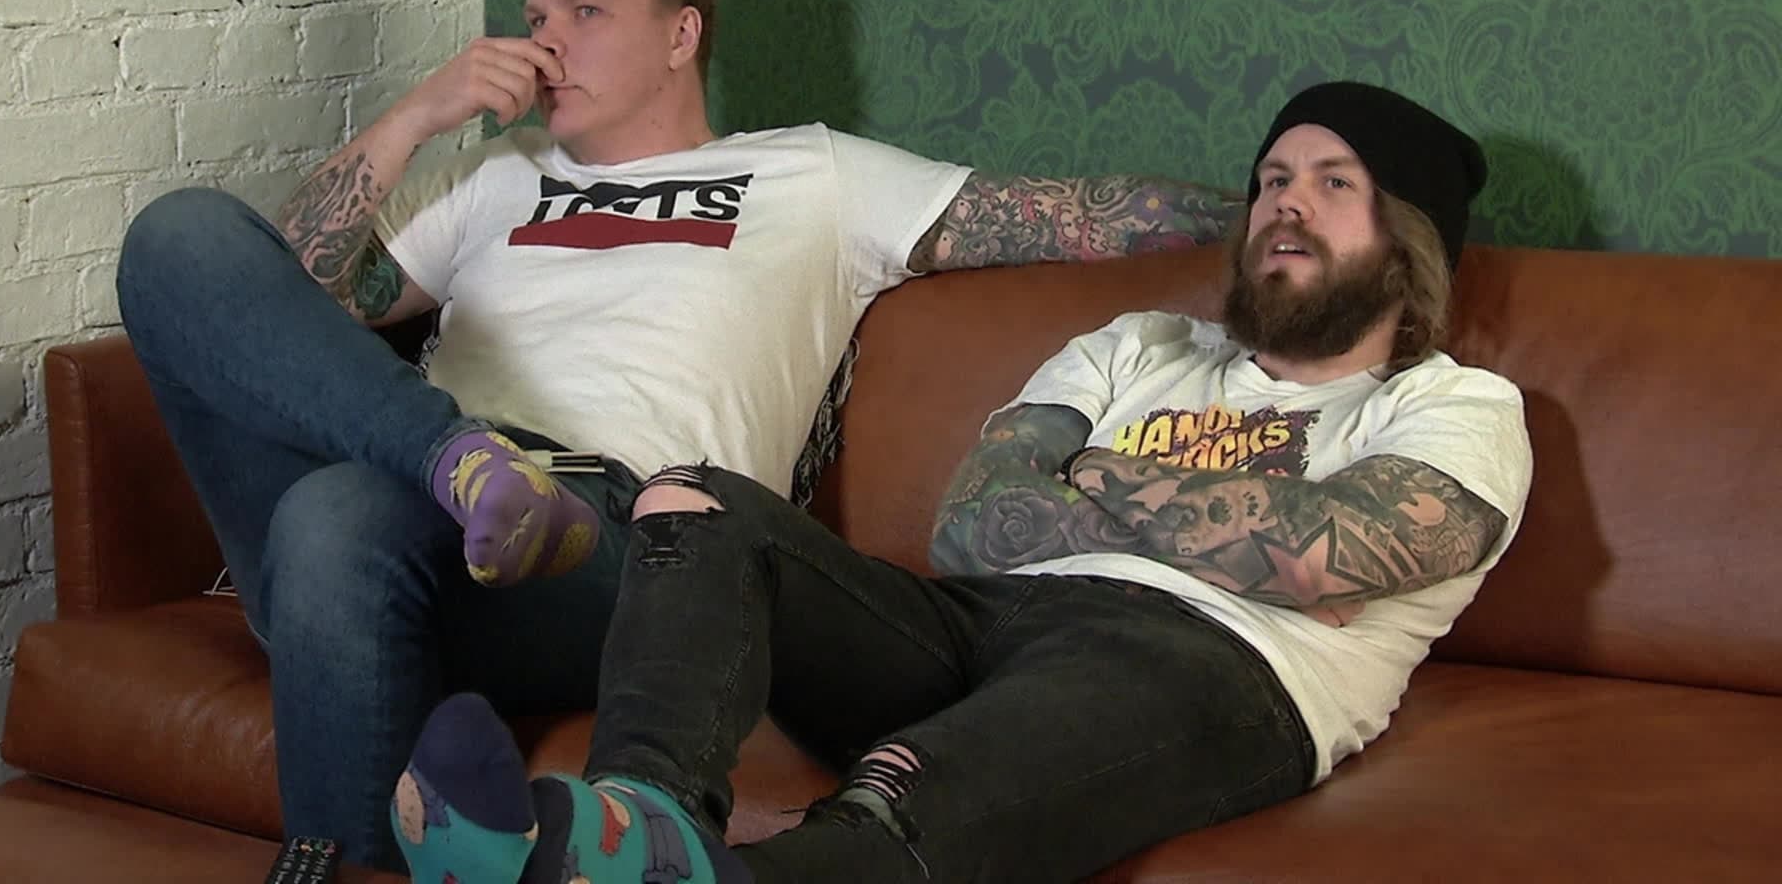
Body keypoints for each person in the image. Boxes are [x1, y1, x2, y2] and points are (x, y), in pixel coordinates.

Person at [112, 0, 1238, 870]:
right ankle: (457, 460)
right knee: (178, 236)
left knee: (332, 515)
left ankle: (445, 514)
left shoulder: (813, 174)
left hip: (617, 552)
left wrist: (1290, 211)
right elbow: (271, 314)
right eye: (535, 20)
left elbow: (1073, 215)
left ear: (681, 32)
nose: (547, 48)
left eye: (586, 14)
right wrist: (419, 116)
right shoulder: (489, 176)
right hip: (416, 496)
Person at [386, 81, 1534, 884]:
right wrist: (1231, 526)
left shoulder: (1454, 407)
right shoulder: (1140, 344)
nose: (1285, 200)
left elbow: (1328, 556)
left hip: (1209, 665)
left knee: (906, 785)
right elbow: (976, 525)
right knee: (693, 502)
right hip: (984, 621)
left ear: (1409, 241)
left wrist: (1089, 470)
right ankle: (640, 817)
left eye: (1334, 184)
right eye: (1273, 176)